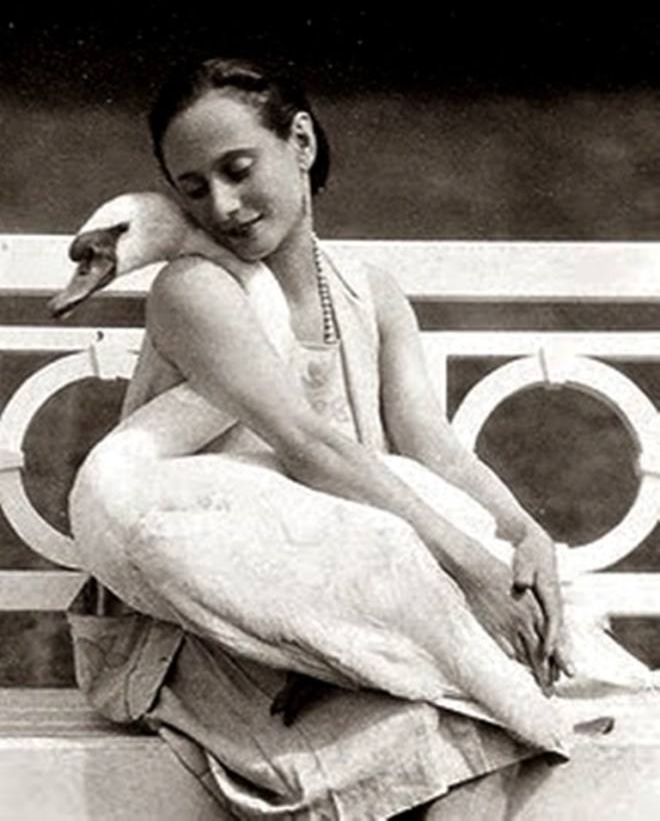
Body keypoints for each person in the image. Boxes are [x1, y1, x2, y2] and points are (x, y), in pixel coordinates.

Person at [66, 57, 586, 820]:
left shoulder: (370, 292)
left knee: (474, 732)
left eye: (239, 169)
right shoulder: (196, 291)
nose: (226, 205)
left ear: (300, 142)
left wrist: (523, 535)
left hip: (359, 590)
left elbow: (430, 447)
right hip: (206, 617)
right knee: (436, 733)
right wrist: (465, 574)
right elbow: (309, 444)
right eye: (195, 188)